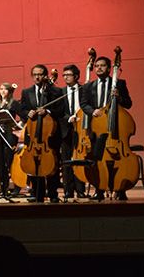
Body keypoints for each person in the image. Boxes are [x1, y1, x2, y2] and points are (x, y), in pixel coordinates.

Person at [80, 56, 133, 201]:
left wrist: (119, 98)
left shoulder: (119, 84)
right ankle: (99, 189)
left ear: (109, 68)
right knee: (98, 159)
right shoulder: (88, 86)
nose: (99, 68)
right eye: (96, 66)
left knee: (117, 159)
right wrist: (92, 111)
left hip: (114, 126)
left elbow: (128, 104)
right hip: (97, 127)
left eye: (102, 65)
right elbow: (83, 104)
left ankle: (121, 188)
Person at [18, 64, 64, 203]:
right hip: (33, 134)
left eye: (40, 74)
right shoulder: (26, 92)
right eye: (35, 74)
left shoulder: (55, 91)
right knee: (33, 163)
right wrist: (28, 113)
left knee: (52, 164)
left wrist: (48, 111)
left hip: (50, 135)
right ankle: (37, 192)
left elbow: (61, 110)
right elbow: (23, 110)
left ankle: (53, 193)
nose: (37, 77)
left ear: (45, 76)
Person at [0, 82, 22, 196]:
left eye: (5, 89)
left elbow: (23, 116)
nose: (2, 91)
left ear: (10, 91)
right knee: (0, 162)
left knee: (10, 161)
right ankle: (4, 188)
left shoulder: (14, 103)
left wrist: (18, 126)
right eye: (1, 89)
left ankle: (17, 187)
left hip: (9, 135)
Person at [60, 64, 87, 199]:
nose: (65, 77)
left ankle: (80, 189)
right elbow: (59, 111)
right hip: (66, 129)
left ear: (76, 76)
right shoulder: (61, 91)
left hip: (82, 129)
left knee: (79, 159)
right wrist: (67, 117)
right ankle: (68, 190)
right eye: (64, 75)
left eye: (68, 75)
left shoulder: (84, 89)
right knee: (66, 161)